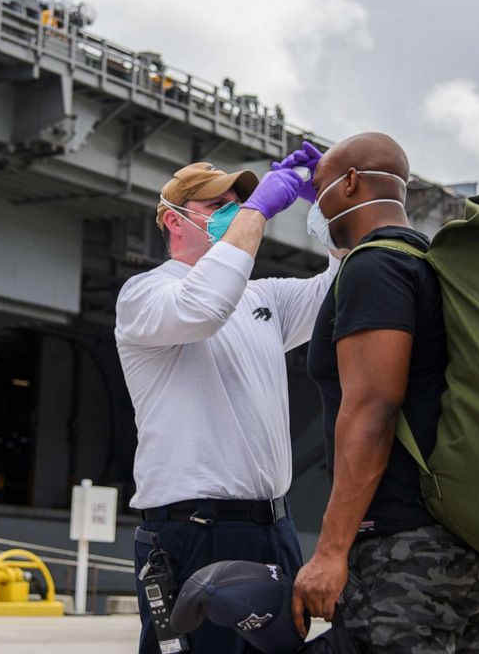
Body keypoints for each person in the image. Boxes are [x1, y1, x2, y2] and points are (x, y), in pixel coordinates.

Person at [291, 133, 479, 653]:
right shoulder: (433, 265)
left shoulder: (375, 267)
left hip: (404, 549)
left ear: (350, 183)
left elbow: (373, 409)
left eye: (321, 187)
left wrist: (330, 551)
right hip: (473, 549)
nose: (315, 204)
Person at [116, 149, 341, 654]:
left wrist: (330, 209)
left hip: (273, 528)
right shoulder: (146, 295)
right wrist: (258, 212)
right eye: (219, 204)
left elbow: (341, 289)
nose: (236, 210)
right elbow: (205, 306)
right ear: (175, 220)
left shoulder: (263, 299)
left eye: (240, 201)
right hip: (195, 532)